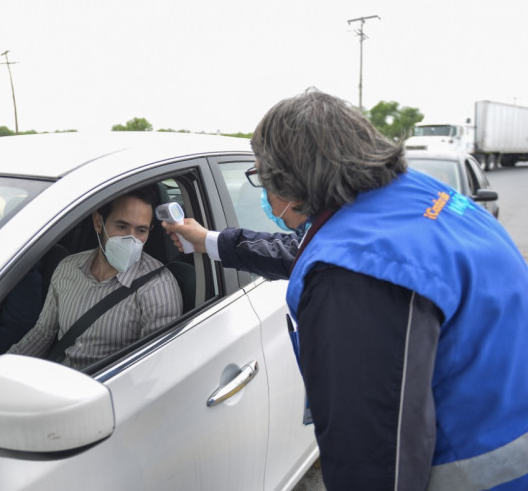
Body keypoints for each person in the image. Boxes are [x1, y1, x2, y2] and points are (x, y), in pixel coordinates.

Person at [163, 89, 528, 490]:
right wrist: (211, 241)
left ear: (294, 182)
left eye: (261, 178)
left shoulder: (350, 281)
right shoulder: (414, 196)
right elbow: (326, 246)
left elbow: (370, 460)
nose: (264, 194)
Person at [8, 187, 182, 370]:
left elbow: (154, 366)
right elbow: (43, 333)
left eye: (141, 230)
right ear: (98, 223)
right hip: (57, 380)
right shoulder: (68, 268)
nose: (131, 239)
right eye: (122, 227)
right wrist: (6, 368)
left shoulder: (157, 287)